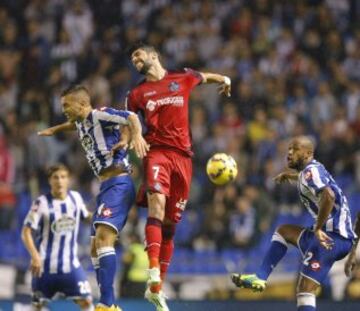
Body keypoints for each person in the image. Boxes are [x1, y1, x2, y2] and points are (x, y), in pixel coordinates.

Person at [126, 42, 231, 311]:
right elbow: (129, 120)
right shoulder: (137, 93)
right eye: (132, 58)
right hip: (157, 153)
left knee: (171, 224)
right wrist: (135, 134)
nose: (135, 59)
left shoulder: (181, 78)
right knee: (156, 206)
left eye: (139, 54)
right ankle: (151, 273)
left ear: (153, 55)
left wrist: (225, 79)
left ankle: (158, 286)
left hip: (183, 158)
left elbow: (205, 77)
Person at [38, 85, 149, 311]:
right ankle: (108, 302)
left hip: (119, 182)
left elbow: (131, 117)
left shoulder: (99, 115)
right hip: (105, 186)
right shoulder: (81, 122)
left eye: (66, 105)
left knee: (103, 240)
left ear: (81, 104)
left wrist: (133, 137)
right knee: (93, 248)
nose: (64, 110)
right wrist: (55, 130)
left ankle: (107, 304)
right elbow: (74, 125)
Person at [231, 136, 357, 311]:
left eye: (295, 149)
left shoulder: (309, 173)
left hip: (332, 238)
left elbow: (329, 195)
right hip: (334, 237)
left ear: (308, 153)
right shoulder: (312, 169)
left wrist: (319, 228)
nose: (289, 153)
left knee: (305, 291)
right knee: (283, 232)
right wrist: (289, 176)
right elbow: (310, 180)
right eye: (289, 149)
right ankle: (260, 277)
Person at [22, 164, 94, 311]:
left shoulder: (76, 198)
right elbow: (26, 231)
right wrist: (35, 256)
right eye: (55, 177)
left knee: (87, 302)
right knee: (37, 306)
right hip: (45, 268)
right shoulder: (41, 203)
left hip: (71, 266)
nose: (59, 181)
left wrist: (104, 217)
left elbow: (88, 217)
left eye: (63, 177)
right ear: (49, 180)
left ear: (69, 180)